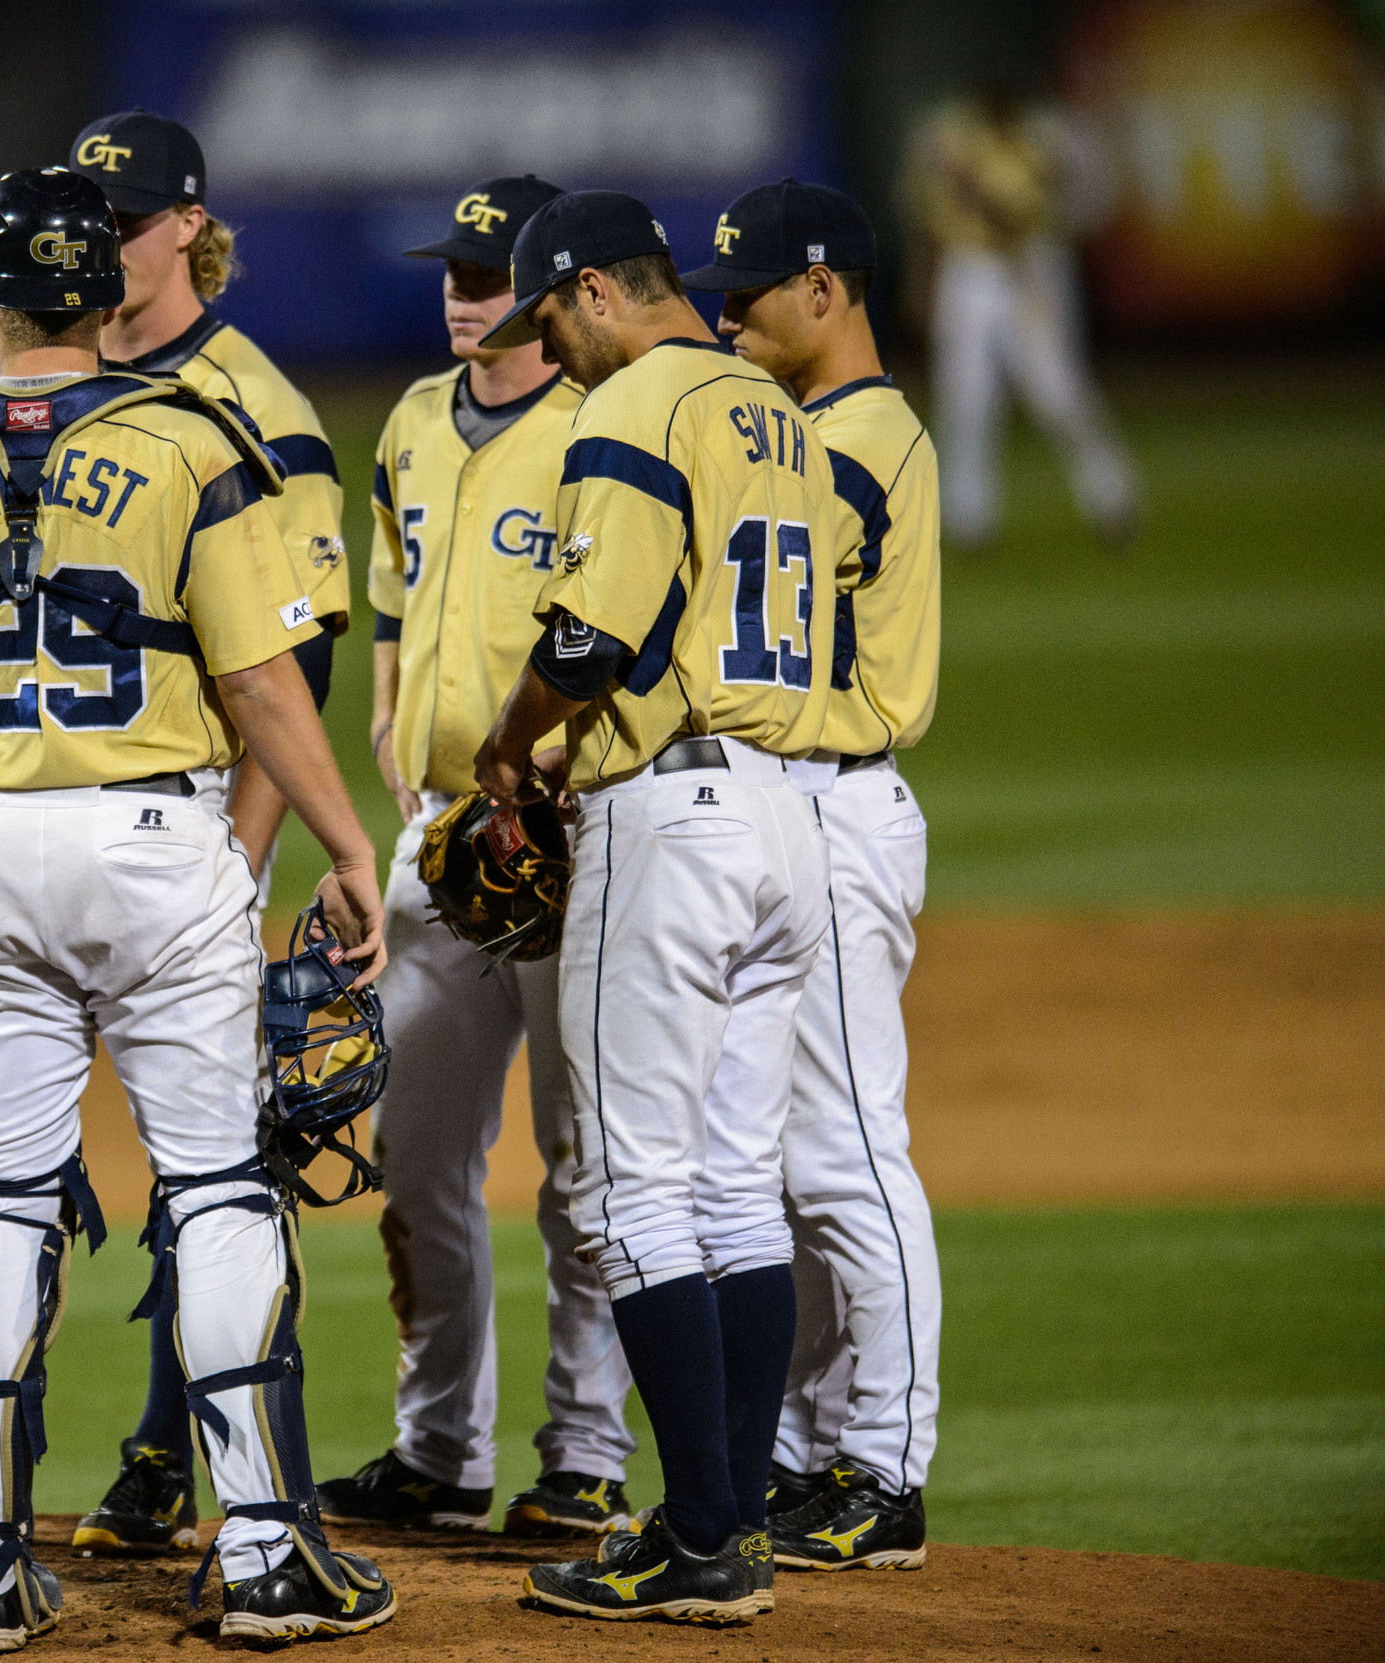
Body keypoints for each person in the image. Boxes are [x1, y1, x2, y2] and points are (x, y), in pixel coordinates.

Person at [0, 166, 398, 1652]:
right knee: (213, 1186)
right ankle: (268, 1550)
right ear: (106, 295)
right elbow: (265, 680)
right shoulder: (191, 443)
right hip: (156, 845)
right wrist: (341, 841)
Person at [470, 189, 855, 1624]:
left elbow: (589, 633)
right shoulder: (781, 414)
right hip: (790, 815)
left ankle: (697, 1535)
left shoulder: (632, 406)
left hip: (676, 822)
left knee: (630, 1191)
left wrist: (515, 745)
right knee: (737, 1182)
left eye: (546, 323)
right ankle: (730, 1516)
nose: (547, 353)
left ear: (589, 294)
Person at [306, 173, 639, 1542]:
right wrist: (386, 706)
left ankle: (585, 1455)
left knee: (586, 1161)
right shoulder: (406, 424)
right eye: (452, 268)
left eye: (488, 271)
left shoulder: (598, 429)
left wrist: (549, 766)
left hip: (567, 835)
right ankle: (438, 1449)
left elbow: (630, 623)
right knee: (416, 1151)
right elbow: (394, 588)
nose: (460, 290)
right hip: (436, 836)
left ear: (550, 290)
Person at [60, 105, 356, 1559]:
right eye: (88, 218)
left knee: (211, 1165)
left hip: (192, 826)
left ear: (188, 224)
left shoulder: (258, 404)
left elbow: (292, 664)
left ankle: (179, 1447)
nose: (104, 242)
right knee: (21, 1164)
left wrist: (246, 861)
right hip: (47, 825)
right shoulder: (41, 374)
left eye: (125, 219)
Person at [688, 178, 941, 1573]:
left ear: (829, 292)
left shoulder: (866, 433)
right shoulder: (804, 429)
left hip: (836, 809)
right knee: (775, 1166)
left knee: (848, 1151)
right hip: (785, 810)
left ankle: (890, 1459)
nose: (728, 316)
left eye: (751, 294)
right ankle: (803, 1449)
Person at [902, 80, 1136, 548]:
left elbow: (1032, 217)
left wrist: (973, 186)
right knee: (965, 398)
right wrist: (923, 281)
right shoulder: (951, 138)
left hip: (1025, 270)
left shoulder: (1041, 144)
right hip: (968, 271)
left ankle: (1113, 498)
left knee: (1057, 391)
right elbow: (927, 216)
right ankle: (968, 521)